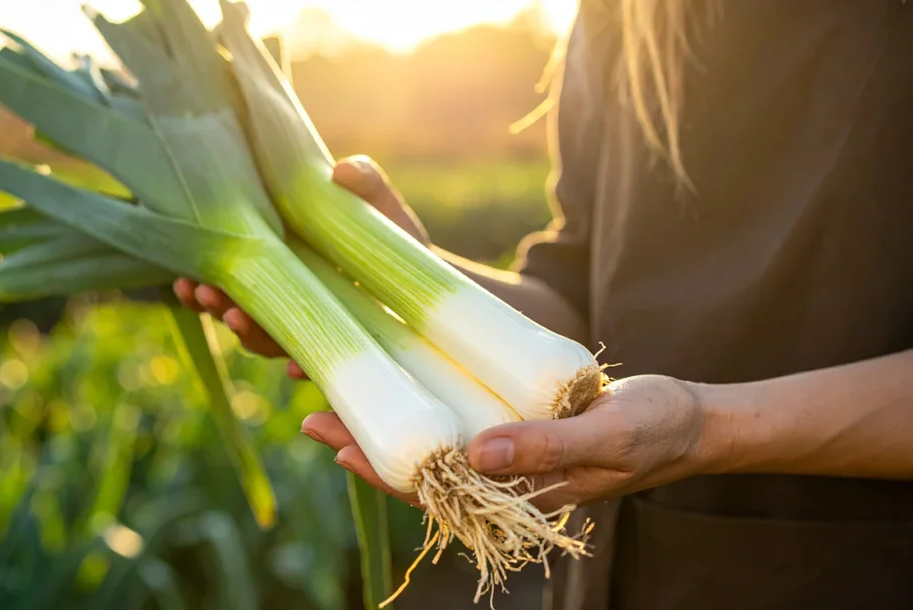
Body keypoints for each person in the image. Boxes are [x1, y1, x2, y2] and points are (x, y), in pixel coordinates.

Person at [175, 1, 913, 608]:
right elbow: (589, 303)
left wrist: (703, 429)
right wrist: (394, 271)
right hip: (612, 577)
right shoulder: (626, 17)